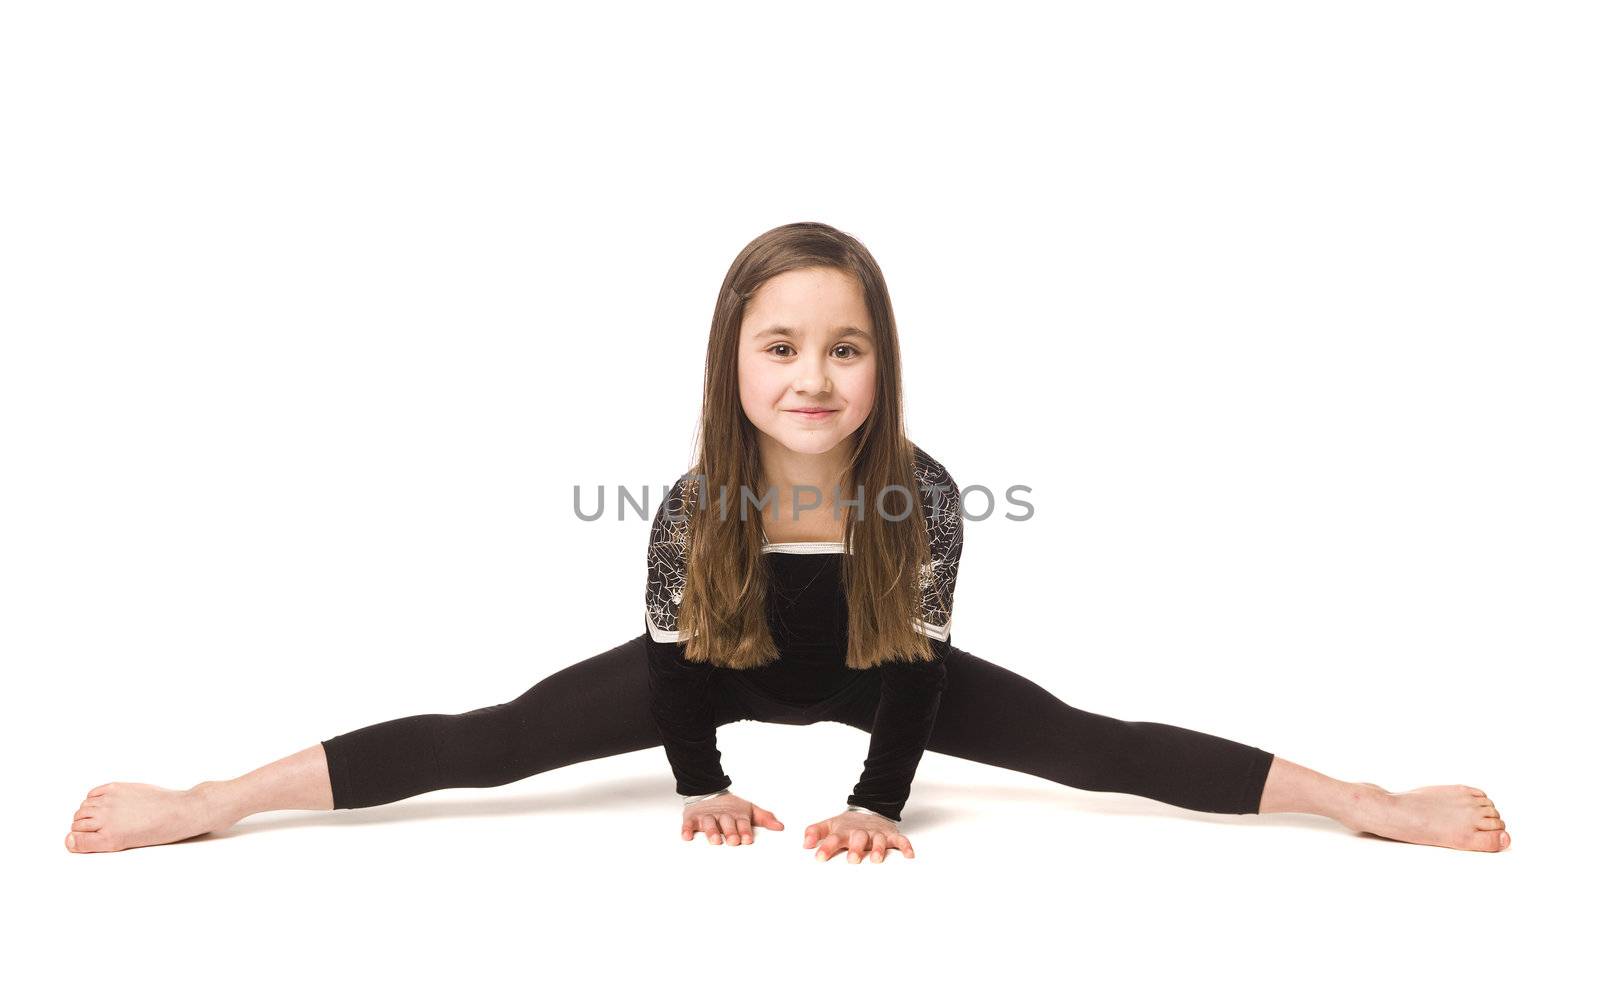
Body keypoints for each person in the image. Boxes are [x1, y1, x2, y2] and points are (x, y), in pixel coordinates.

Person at [63, 222, 1511, 862]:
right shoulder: (701, 500)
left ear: (882, 366)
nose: (813, 379)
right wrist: (699, 779)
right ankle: (215, 798)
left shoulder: (922, 492)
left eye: (845, 349)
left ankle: (1360, 800)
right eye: (782, 347)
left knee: (1098, 741)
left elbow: (926, 675)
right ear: (734, 363)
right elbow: (671, 663)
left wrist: (881, 801)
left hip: (884, 672)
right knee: (489, 735)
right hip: (718, 668)